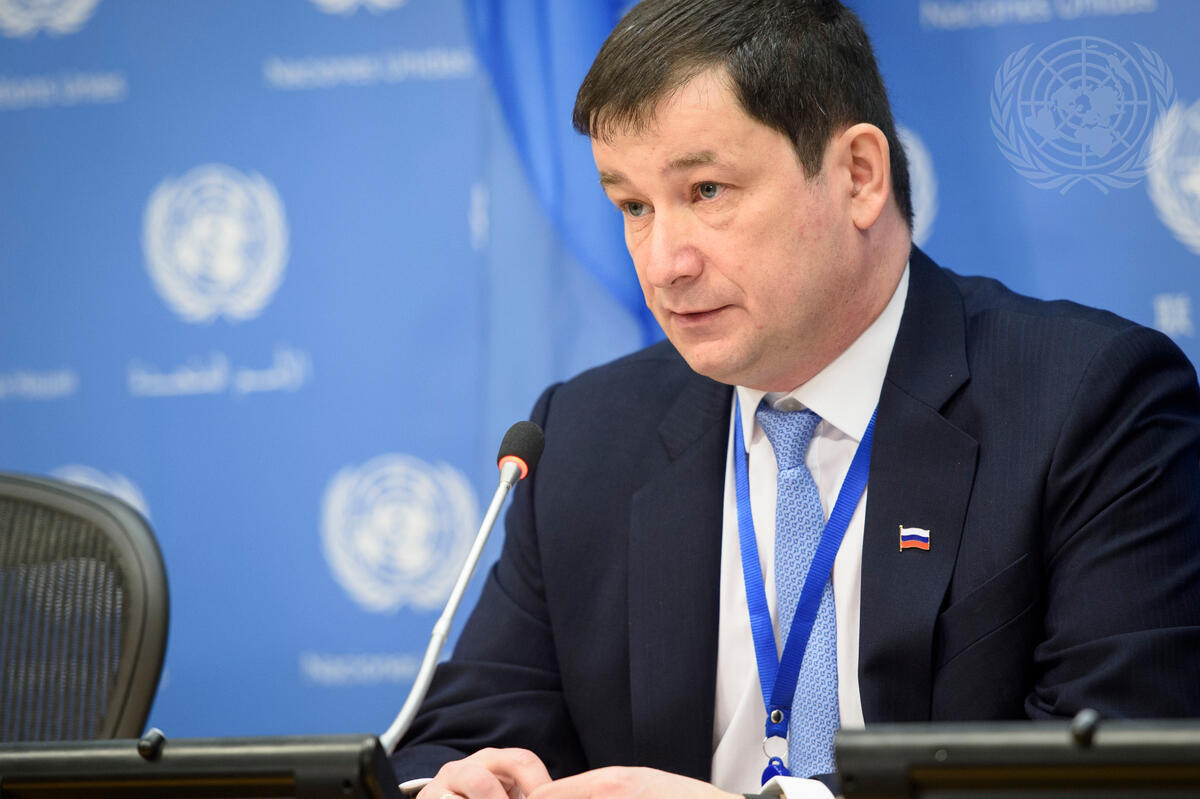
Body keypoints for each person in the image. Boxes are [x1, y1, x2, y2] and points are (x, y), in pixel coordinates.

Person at [389, 1, 1200, 797]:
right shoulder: (585, 436)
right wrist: (456, 783)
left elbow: (1115, 764)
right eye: (633, 206)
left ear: (858, 175)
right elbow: (457, 733)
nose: (664, 263)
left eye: (707, 190)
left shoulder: (1089, 401)